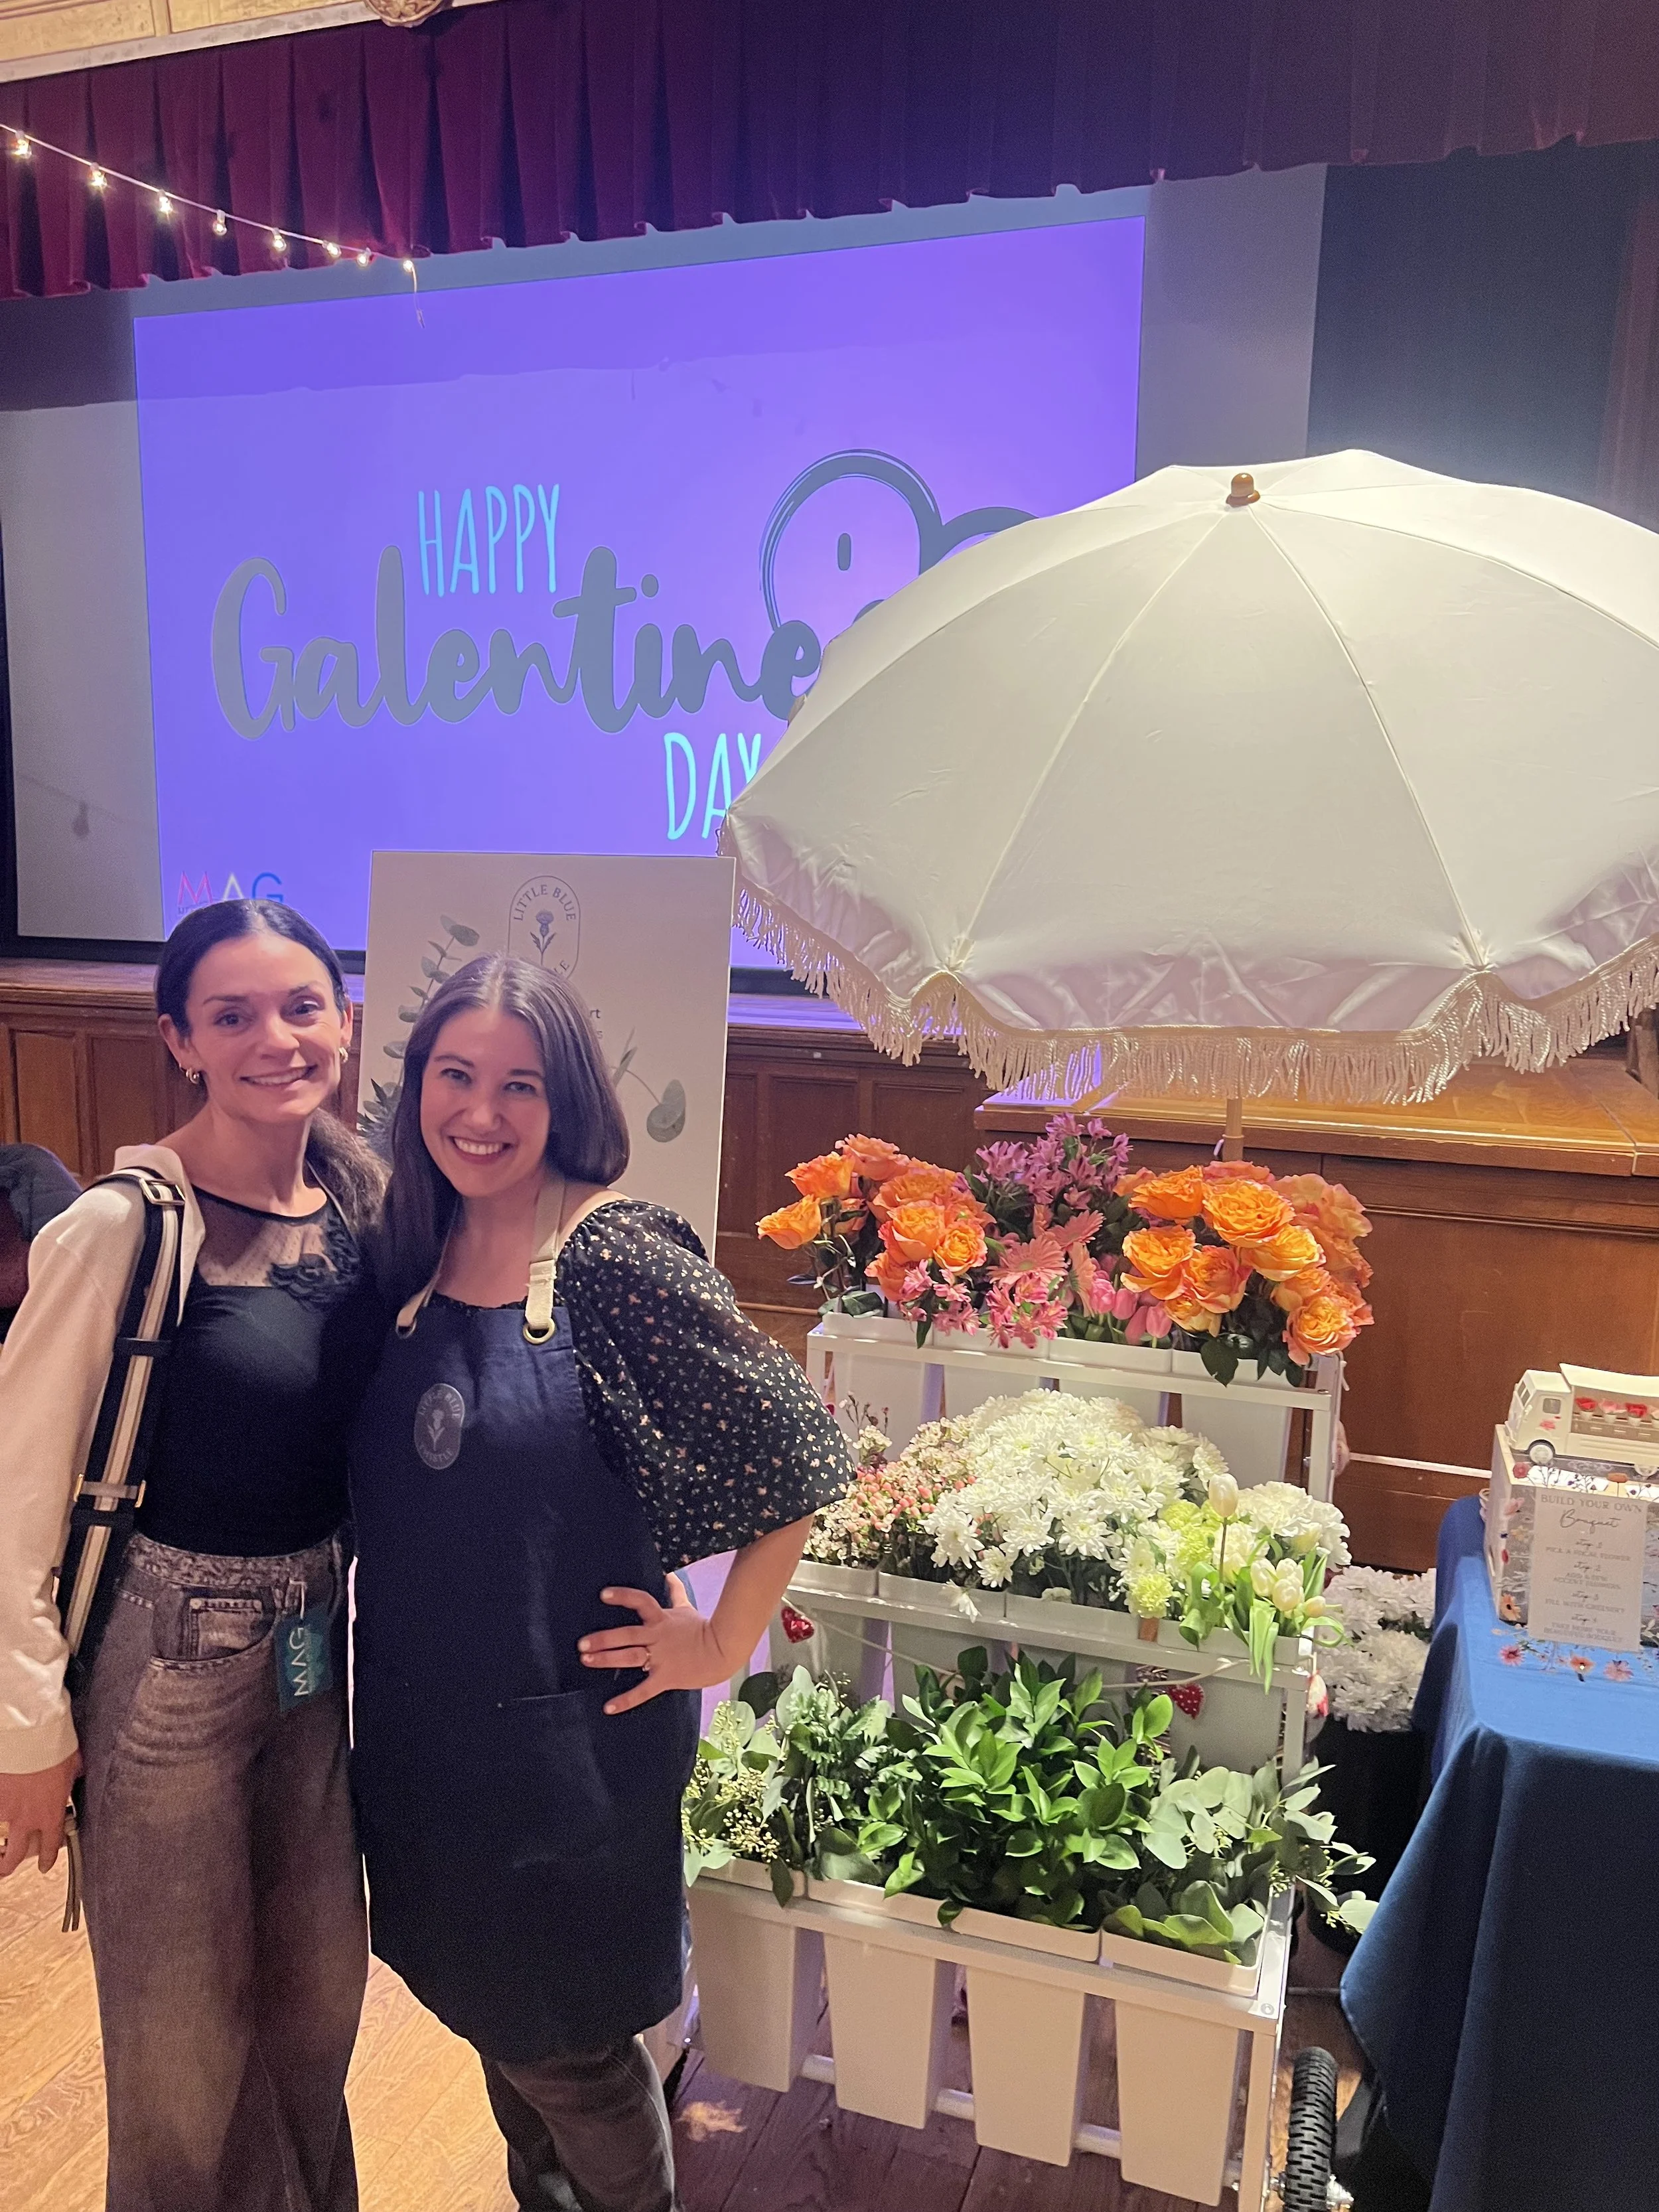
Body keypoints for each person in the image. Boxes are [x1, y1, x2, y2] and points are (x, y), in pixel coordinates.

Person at [355, 953, 853, 2212]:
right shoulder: (411, 1243)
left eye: (518, 1085)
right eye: (455, 1077)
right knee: (488, 2017)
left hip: (564, 1758)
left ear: (567, 1097)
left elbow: (791, 1446)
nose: (481, 1112)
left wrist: (720, 1641)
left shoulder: (611, 1253)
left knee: (570, 2049)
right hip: (426, 1744)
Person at [0, 899, 385, 2212]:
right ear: (180, 1039)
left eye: (300, 1006)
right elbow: (17, 1487)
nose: (275, 1037)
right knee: (179, 2046)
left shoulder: (362, 1203)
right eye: (232, 1014)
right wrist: (28, 1730)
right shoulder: (123, 1227)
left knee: (316, 2003)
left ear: (343, 1021)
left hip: (308, 1649)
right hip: (165, 1661)